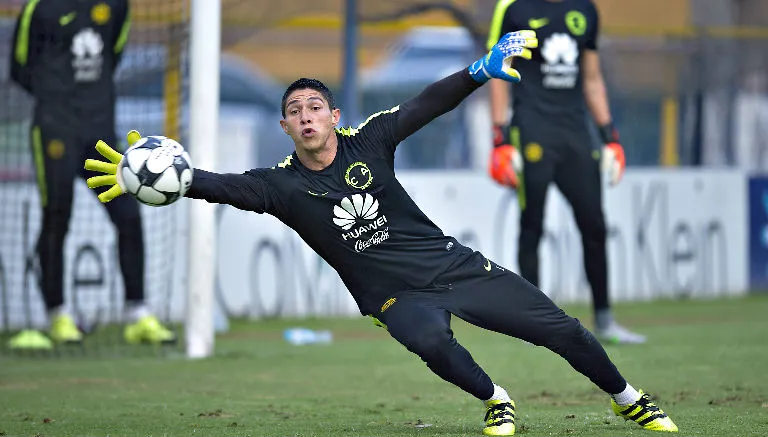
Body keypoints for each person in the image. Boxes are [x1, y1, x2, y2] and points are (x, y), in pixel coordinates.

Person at [86, 31, 678, 435]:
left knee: (561, 329)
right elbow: (218, 185)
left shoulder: (369, 140)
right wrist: (173, 177)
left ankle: (629, 399)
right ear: (286, 126)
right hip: (394, 297)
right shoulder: (279, 186)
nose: (307, 115)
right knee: (431, 343)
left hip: (454, 267)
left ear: (333, 116)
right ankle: (497, 401)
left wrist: (478, 71)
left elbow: (426, 104)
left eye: (316, 106)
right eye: (295, 110)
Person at [8, 0, 175, 350]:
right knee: (57, 216)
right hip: (54, 130)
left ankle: (137, 314)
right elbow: (19, 68)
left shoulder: (115, 5)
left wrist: (88, 103)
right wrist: (59, 100)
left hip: (99, 133)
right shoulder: (40, 8)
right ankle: (58, 315)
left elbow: (112, 55)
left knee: (129, 214)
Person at [486, 0, 646, 344]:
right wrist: (499, 139)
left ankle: (605, 321)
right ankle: (534, 323)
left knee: (595, 225)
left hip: (577, 135)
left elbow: (591, 78)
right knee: (532, 226)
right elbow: (498, 71)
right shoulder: (513, 8)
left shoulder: (586, 10)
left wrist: (610, 136)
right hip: (532, 131)